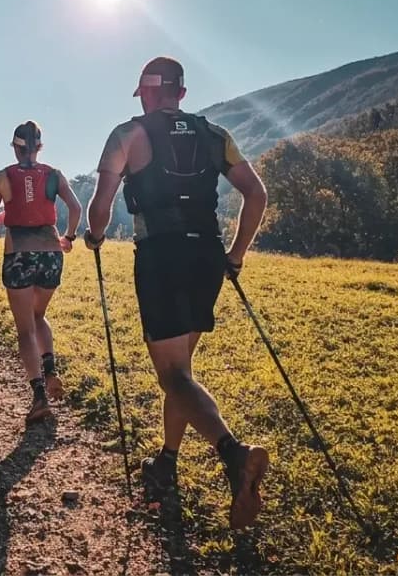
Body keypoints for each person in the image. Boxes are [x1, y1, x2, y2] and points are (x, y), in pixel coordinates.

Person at [84, 56, 270, 529]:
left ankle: (234, 454)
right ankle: (167, 459)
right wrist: (236, 255)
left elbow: (101, 206)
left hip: (161, 255)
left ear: (145, 93)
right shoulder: (215, 135)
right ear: (181, 94)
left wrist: (96, 235)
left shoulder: (128, 134)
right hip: (207, 254)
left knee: (173, 377)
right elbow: (257, 195)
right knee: (182, 370)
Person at [0, 121, 82, 423]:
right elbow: (75, 208)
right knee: (39, 316)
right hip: (51, 253)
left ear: (15, 146)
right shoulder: (54, 174)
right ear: (39, 146)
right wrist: (69, 237)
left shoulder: (3, 176)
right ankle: (50, 368)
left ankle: (39, 394)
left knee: (25, 328)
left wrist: (3, 214)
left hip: (18, 254)